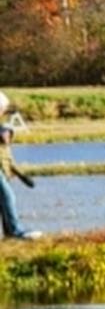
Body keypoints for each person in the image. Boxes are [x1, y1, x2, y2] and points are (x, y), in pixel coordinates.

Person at [0, 97, 40, 240]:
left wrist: (23, 176)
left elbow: (8, 159)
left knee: (3, 200)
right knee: (7, 197)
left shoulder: (4, 136)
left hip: (2, 172)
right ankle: (15, 231)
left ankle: (9, 232)